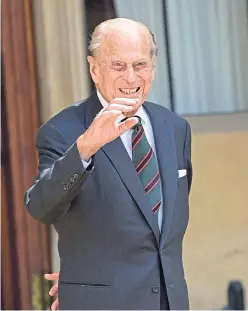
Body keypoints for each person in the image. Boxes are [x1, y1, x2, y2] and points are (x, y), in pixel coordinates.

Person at [25, 18, 192, 310]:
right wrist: (86, 146)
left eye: (140, 65)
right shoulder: (62, 131)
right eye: (118, 66)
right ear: (94, 69)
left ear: (153, 68)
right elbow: (41, 206)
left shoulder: (174, 128)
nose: (131, 78)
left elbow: (156, 225)